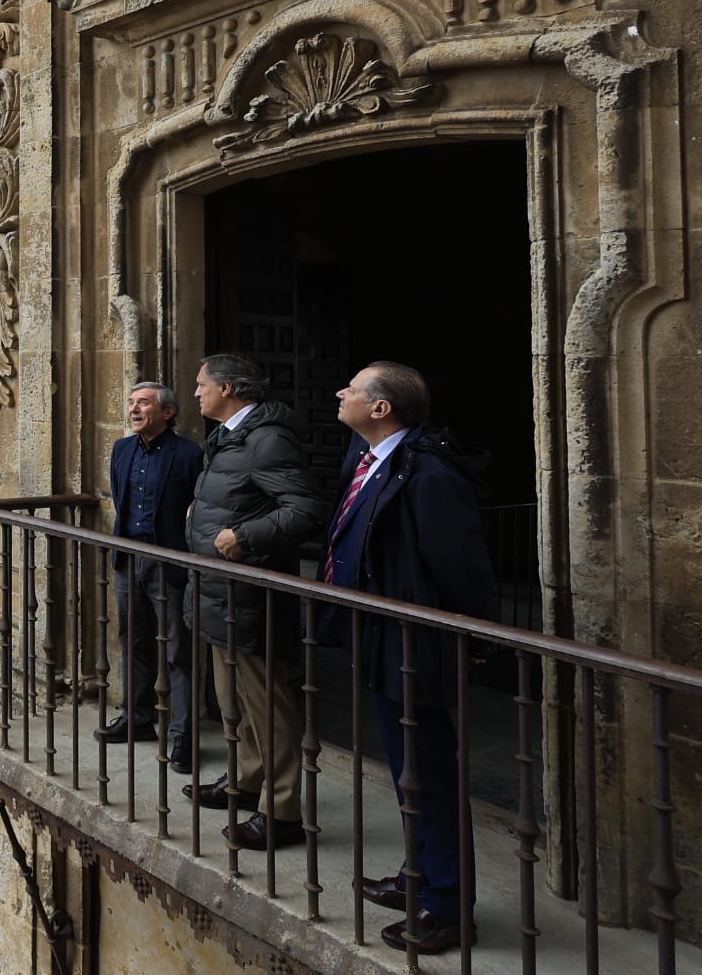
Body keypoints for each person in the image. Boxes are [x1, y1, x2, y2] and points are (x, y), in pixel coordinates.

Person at [320, 361, 496, 956]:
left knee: (431, 774)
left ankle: (447, 907)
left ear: (380, 409)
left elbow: (460, 566)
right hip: (379, 637)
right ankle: (418, 875)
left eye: (352, 388)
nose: (340, 392)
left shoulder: (429, 473)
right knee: (406, 770)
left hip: (414, 641)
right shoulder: (368, 458)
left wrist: (472, 639)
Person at [182, 353, 323, 850]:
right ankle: (244, 780)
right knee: (231, 697)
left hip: (250, 592)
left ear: (230, 389)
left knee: (267, 703)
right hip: (221, 590)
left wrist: (241, 536)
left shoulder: (267, 439)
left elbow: (304, 508)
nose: (196, 393)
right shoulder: (232, 436)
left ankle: (281, 811)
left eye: (203, 385)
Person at [96, 381, 204, 774]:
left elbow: (200, 508)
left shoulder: (191, 454)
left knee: (179, 650)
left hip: (169, 563)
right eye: (131, 403)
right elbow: (119, 500)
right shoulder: (121, 449)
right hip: (129, 559)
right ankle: (137, 718)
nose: (134, 409)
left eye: (143, 403)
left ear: (168, 412)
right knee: (133, 641)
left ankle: (184, 736)